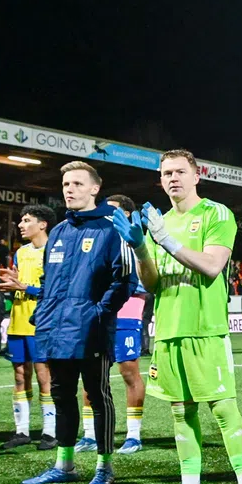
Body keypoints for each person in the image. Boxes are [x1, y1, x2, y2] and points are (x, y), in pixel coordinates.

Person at [137, 150, 242, 484]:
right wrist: (141, 248)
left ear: (196, 176)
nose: (172, 178)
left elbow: (211, 265)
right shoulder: (158, 224)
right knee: (180, 411)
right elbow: (152, 284)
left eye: (179, 172)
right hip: (169, 329)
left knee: (223, 409)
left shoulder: (215, 213)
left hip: (206, 329)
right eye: (165, 173)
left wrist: (165, 241)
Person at [15, 162, 143, 484]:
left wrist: (98, 314)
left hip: (91, 330)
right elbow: (48, 281)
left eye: (76, 183)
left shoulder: (113, 229)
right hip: (55, 329)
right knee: (61, 395)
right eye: (65, 184)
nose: (68, 189)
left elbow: (126, 279)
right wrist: (43, 313)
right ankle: (64, 464)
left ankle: (104, 467)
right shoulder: (57, 232)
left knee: (97, 395)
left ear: (94, 189)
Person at [0, 204, 56, 450]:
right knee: (20, 375)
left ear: (43, 224)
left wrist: (23, 287)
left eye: (27, 220)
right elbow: (20, 281)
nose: (20, 225)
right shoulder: (21, 252)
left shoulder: (54, 251)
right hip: (18, 320)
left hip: (41, 323)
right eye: (21, 220)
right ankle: (21, 431)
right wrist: (10, 280)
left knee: (44, 376)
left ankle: (50, 432)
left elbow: (55, 291)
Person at [100, 194, 149, 454]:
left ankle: (133, 435)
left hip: (128, 308)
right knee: (92, 373)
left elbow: (148, 277)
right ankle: (89, 434)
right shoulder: (98, 238)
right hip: (98, 310)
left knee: (129, 371)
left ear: (128, 214)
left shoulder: (138, 239)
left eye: (113, 211)